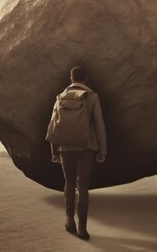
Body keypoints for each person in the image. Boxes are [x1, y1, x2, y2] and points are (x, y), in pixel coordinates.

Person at [48, 66, 107, 240]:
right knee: (82, 187)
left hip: (65, 147)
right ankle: (82, 228)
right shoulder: (92, 97)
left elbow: (53, 126)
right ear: (86, 79)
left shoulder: (60, 98)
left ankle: (69, 220)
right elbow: (99, 124)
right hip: (87, 147)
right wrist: (102, 150)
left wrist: (54, 151)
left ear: (70, 79)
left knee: (69, 182)